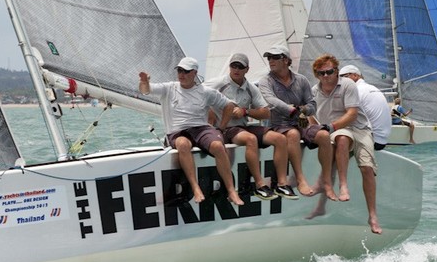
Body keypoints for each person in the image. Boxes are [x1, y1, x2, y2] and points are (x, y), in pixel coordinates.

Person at [139, 56, 243, 206]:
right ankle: (195, 188)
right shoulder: (169, 88)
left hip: (201, 129)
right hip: (177, 131)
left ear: (194, 73)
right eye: (179, 70)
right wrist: (144, 82)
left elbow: (228, 105)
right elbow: (146, 91)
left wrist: (222, 127)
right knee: (182, 144)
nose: (181, 74)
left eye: (186, 71)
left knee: (218, 146)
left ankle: (232, 190)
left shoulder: (206, 91)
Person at [309, 53, 382, 235]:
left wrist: (330, 126)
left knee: (367, 168)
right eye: (321, 73)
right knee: (341, 138)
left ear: (337, 71)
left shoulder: (347, 85)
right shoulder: (313, 91)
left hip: (359, 128)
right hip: (337, 131)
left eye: (330, 72)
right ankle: (343, 185)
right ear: (317, 75)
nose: (326, 76)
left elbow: (352, 114)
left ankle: (372, 216)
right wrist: (315, 129)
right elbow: (309, 114)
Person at [205, 52, 288, 201]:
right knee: (251, 139)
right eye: (233, 66)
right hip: (225, 130)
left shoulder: (250, 88)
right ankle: (259, 185)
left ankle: (281, 184)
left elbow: (266, 113)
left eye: (240, 67)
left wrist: (245, 111)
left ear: (247, 69)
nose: (236, 69)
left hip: (242, 127)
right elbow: (196, 93)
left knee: (280, 138)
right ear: (229, 67)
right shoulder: (218, 83)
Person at [257, 45, 331, 197]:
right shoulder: (265, 81)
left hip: (301, 123)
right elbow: (271, 101)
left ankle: (326, 180)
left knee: (324, 136)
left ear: (286, 60)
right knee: (292, 134)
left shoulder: (301, 80)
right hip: (279, 125)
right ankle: (300, 178)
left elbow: (312, 105)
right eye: (269, 57)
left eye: (275, 57)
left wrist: (302, 111)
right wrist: (291, 110)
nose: (271, 60)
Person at [339, 65, 392, 150]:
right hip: (382, 140)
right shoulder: (371, 88)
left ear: (355, 76)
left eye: (344, 77)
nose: (341, 81)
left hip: (372, 140)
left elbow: (345, 115)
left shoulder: (356, 90)